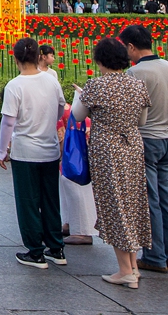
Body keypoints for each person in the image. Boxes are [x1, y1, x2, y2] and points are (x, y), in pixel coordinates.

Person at [73, 37, 151, 288]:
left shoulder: (96, 86)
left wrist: (79, 96)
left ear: (99, 60)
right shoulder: (138, 85)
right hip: (133, 147)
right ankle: (134, 266)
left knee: (113, 204)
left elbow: (77, 115)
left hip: (107, 150)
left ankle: (125, 270)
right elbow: (142, 121)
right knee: (132, 202)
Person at [0, 38, 67, 269]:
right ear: (39, 56)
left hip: (25, 151)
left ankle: (35, 251)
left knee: (28, 201)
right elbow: (60, 109)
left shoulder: (14, 86)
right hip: (49, 150)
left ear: (15, 57)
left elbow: (8, 122)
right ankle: (56, 248)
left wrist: (1, 150)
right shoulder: (51, 81)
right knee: (50, 199)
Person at [121, 24, 168, 273]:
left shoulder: (136, 73)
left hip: (147, 139)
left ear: (132, 47)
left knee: (150, 199)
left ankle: (155, 256)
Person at [57, 100, 97, 246]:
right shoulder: (64, 105)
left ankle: (82, 231)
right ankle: (69, 223)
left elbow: (60, 137)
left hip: (74, 152)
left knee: (73, 186)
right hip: (85, 143)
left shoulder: (55, 109)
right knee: (69, 188)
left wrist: (61, 158)